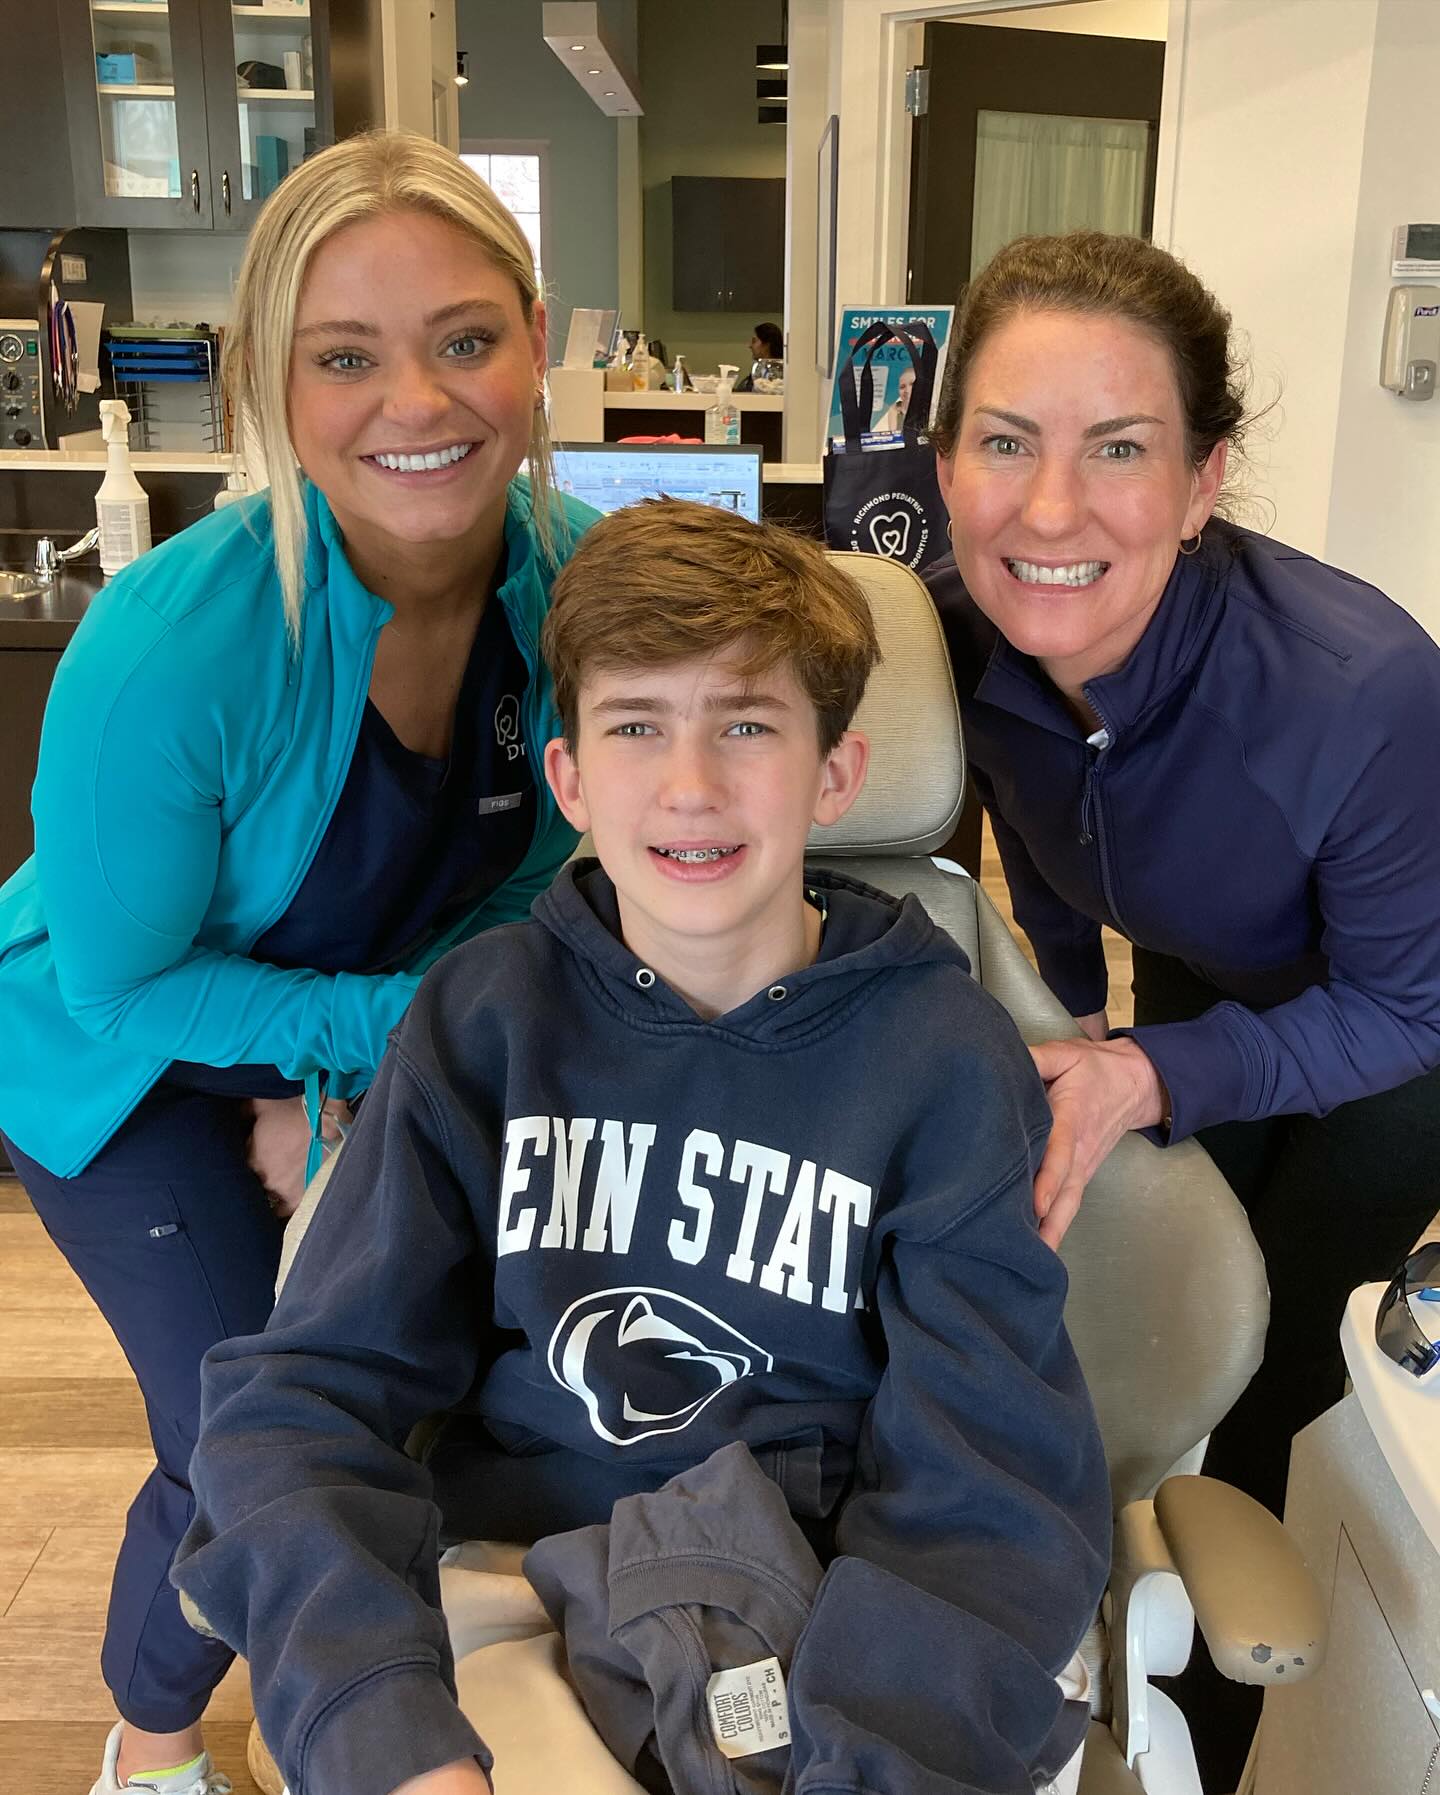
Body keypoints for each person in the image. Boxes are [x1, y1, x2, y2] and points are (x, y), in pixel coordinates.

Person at [173, 499, 1111, 1795]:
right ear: (567, 778)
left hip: (837, 1617)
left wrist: (877, 1754)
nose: (690, 785)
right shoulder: (484, 1023)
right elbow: (302, 1397)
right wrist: (379, 1721)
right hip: (524, 1590)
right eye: (635, 727)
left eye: (746, 725)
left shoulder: (944, 1056)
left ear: (835, 773)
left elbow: (995, 1477)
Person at [0, 130, 595, 1795]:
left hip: (334, 1030)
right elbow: (125, 985)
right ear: (277, 377)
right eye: (348, 356)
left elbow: (531, 868)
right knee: (237, 1440)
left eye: (465, 339)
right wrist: (354, 1053)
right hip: (117, 1061)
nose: (419, 401)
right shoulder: (171, 648)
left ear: (537, 342)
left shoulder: (560, 597)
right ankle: (155, 1749)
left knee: (410, 1399)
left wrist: (344, 1085)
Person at [923, 228, 1440, 1787]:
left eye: (1121, 449)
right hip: (1220, 953)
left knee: (1263, 1351)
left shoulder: (1358, 690)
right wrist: (1080, 1017)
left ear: (1207, 480)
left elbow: (1409, 1010)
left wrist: (1151, 1070)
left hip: (1400, 1026)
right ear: (945, 462)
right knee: (1117, 1270)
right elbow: (1040, 827)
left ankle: (1200, 1747)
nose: (1052, 507)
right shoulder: (963, 628)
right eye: (1005, 443)